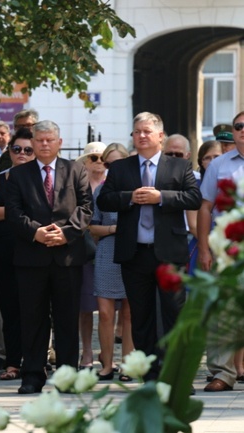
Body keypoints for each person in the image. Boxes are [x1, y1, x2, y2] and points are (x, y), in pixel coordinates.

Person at [97, 112, 201, 381]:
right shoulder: (121, 168)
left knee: (173, 315)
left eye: (146, 131)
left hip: (168, 254)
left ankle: (177, 375)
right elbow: (105, 200)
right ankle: (152, 375)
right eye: (136, 132)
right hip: (135, 254)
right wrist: (130, 198)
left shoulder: (178, 166)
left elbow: (194, 198)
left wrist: (161, 197)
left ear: (160, 136)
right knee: (141, 318)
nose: (141, 136)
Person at [5, 120, 93, 394]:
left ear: (59, 142)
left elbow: (87, 207)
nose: (44, 144)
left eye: (49, 140)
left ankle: (67, 377)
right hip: (31, 258)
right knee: (33, 319)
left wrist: (67, 233)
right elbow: (12, 211)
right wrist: (36, 232)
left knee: (67, 319)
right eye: (39, 140)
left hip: (67, 257)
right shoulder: (19, 174)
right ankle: (32, 375)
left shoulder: (75, 169)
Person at [0, 127, 34, 381]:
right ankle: (12, 362)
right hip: (5, 252)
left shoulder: (43, 179)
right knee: (10, 309)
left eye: (27, 150)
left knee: (36, 308)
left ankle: (36, 361)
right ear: (10, 151)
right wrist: (13, 212)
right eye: (17, 149)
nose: (22, 154)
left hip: (36, 250)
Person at [197, 112, 244, 392]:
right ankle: (222, 373)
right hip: (226, 248)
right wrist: (204, 248)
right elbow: (205, 207)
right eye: (239, 126)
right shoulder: (219, 165)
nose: (243, 131)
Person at [88, 143, 135, 381]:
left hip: (132, 252)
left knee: (129, 313)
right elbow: (92, 226)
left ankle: (127, 364)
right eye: (108, 164)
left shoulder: (139, 188)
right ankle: (107, 364)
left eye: (117, 163)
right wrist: (112, 228)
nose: (112, 168)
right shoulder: (101, 192)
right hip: (107, 251)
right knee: (105, 313)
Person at [75, 142, 106, 370]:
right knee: (85, 307)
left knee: (109, 307)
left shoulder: (111, 183)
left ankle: (106, 353)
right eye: (93, 157)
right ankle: (86, 352)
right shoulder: (78, 184)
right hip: (84, 250)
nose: (98, 162)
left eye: (102, 157)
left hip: (108, 249)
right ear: (85, 161)